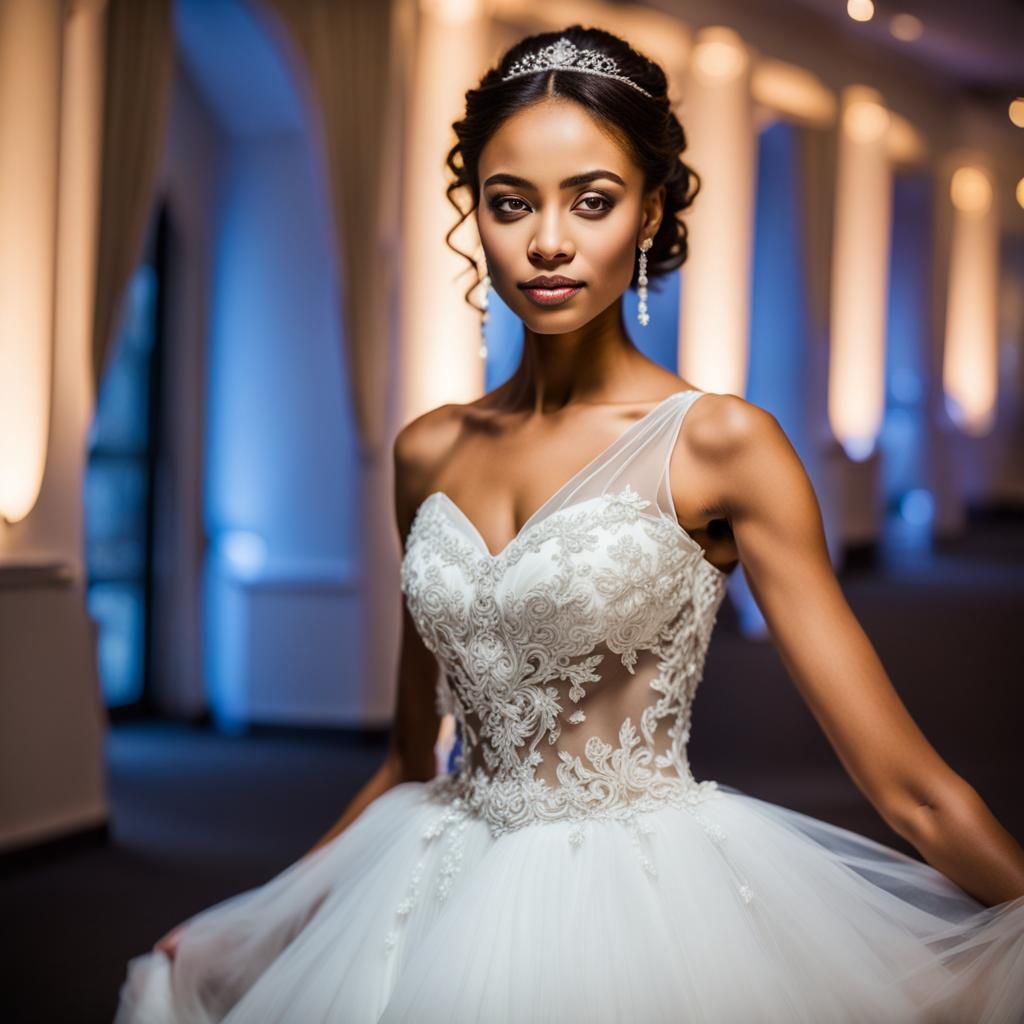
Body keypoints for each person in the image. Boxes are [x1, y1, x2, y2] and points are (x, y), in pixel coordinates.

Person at [115, 24, 1024, 1023]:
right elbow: (412, 759)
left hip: (639, 908)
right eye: (511, 204)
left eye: (591, 201)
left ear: (649, 211)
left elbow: (907, 786)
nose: (547, 241)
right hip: (432, 887)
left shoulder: (720, 444)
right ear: (476, 214)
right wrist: (261, 926)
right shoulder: (427, 451)